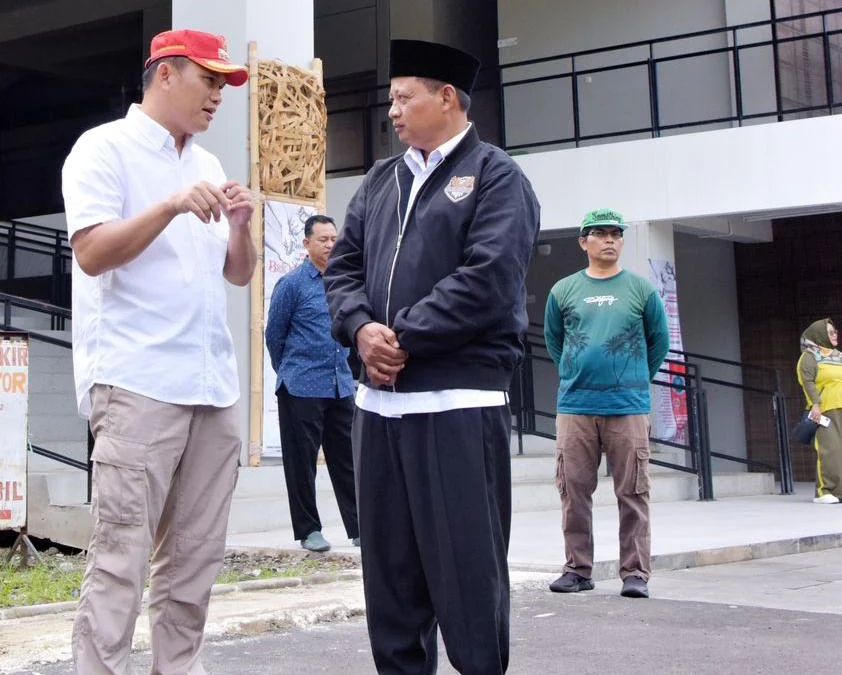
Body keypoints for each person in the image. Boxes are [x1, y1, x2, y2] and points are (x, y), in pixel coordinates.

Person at [325, 38, 540, 675]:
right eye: (391, 100)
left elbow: (489, 278)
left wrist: (403, 338)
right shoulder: (380, 180)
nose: (391, 111)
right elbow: (342, 270)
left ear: (446, 98)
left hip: (455, 406)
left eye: (402, 97)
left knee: (466, 579)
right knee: (389, 583)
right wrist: (362, 330)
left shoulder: (498, 176)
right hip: (377, 409)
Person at [60, 29, 255, 675]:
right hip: (137, 381)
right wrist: (168, 206)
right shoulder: (102, 150)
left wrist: (240, 228)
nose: (219, 97)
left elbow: (237, 275)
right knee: (121, 555)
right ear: (166, 74)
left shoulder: (206, 164)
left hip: (211, 383)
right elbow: (90, 251)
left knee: (195, 557)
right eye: (210, 80)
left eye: (225, 85)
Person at [543, 208, 669, 600]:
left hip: (628, 405)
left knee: (633, 491)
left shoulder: (641, 289)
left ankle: (635, 573)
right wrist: (578, 372)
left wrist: (629, 377)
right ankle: (578, 569)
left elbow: (658, 341)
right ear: (584, 242)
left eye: (616, 233)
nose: (610, 240)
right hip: (576, 404)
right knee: (574, 491)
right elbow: (554, 340)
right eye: (600, 234)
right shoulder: (563, 290)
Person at [265, 214, 359, 553]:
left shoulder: (345, 281)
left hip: (340, 385)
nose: (330, 245)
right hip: (301, 386)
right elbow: (274, 336)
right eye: (323, 239)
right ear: (306, 244)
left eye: (334, 238)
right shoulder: (292, 284)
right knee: (302, 464)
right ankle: (309, 530)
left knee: (348, 458)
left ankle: (359, 527)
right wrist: (290, 370)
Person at [797, 318, 842, 504]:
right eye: (831, 332)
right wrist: (814, 404)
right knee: (830, 450)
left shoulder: (838, 355)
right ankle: (825, 491)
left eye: (835, 331)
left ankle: (839, 492)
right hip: (825, 410)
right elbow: (806, 381)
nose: (835, 334)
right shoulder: (809, 356)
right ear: (820, 335)